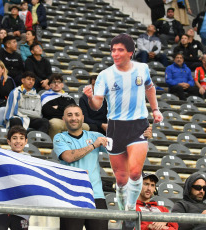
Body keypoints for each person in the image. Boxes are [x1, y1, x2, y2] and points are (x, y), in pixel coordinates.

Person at [83, 33, 163, 229]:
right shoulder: (104, 75)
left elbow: (150, 89)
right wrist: (90, 97)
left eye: (120, 50)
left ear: (130, 52)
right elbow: (96, 106)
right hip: (115, 126)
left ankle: (130, 206)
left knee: (135, 172)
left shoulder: (142, 68)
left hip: (138, 124)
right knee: (120, 177)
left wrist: (155, 110)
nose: (115, 53)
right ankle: (123, 208)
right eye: (113, 50)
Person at [53, 104, 109, 230]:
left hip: (96, 195)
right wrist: (93, 146)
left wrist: (142, 136)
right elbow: (68, 157)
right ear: (63, 119)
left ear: (83, 118)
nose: (74, 118)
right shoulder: (59, 138)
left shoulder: (95, 135)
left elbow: (118, 150)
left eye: (77, 114)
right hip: (71, 195)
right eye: (69, 115)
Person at [0, 125, 29, 230]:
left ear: (26, 141)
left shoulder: (32, 162)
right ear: (8, 141)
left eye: (21, 138)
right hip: (1, 209)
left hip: (22, 211)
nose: (18, 141)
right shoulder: (0, 157)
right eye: (14, 138)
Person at [41, 74, 89, 139]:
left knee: (85, 126)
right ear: (50, 85)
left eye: (59, 82)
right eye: (54, 82)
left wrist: (58, 107)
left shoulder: (69, 98)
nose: (56, 84)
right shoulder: (45, 96)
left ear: (62, 85)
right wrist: (66, 111)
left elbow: (74, 111)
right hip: (56, 120)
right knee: (55, 124)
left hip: (69, 120)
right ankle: (55, 146)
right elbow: (47, 112)